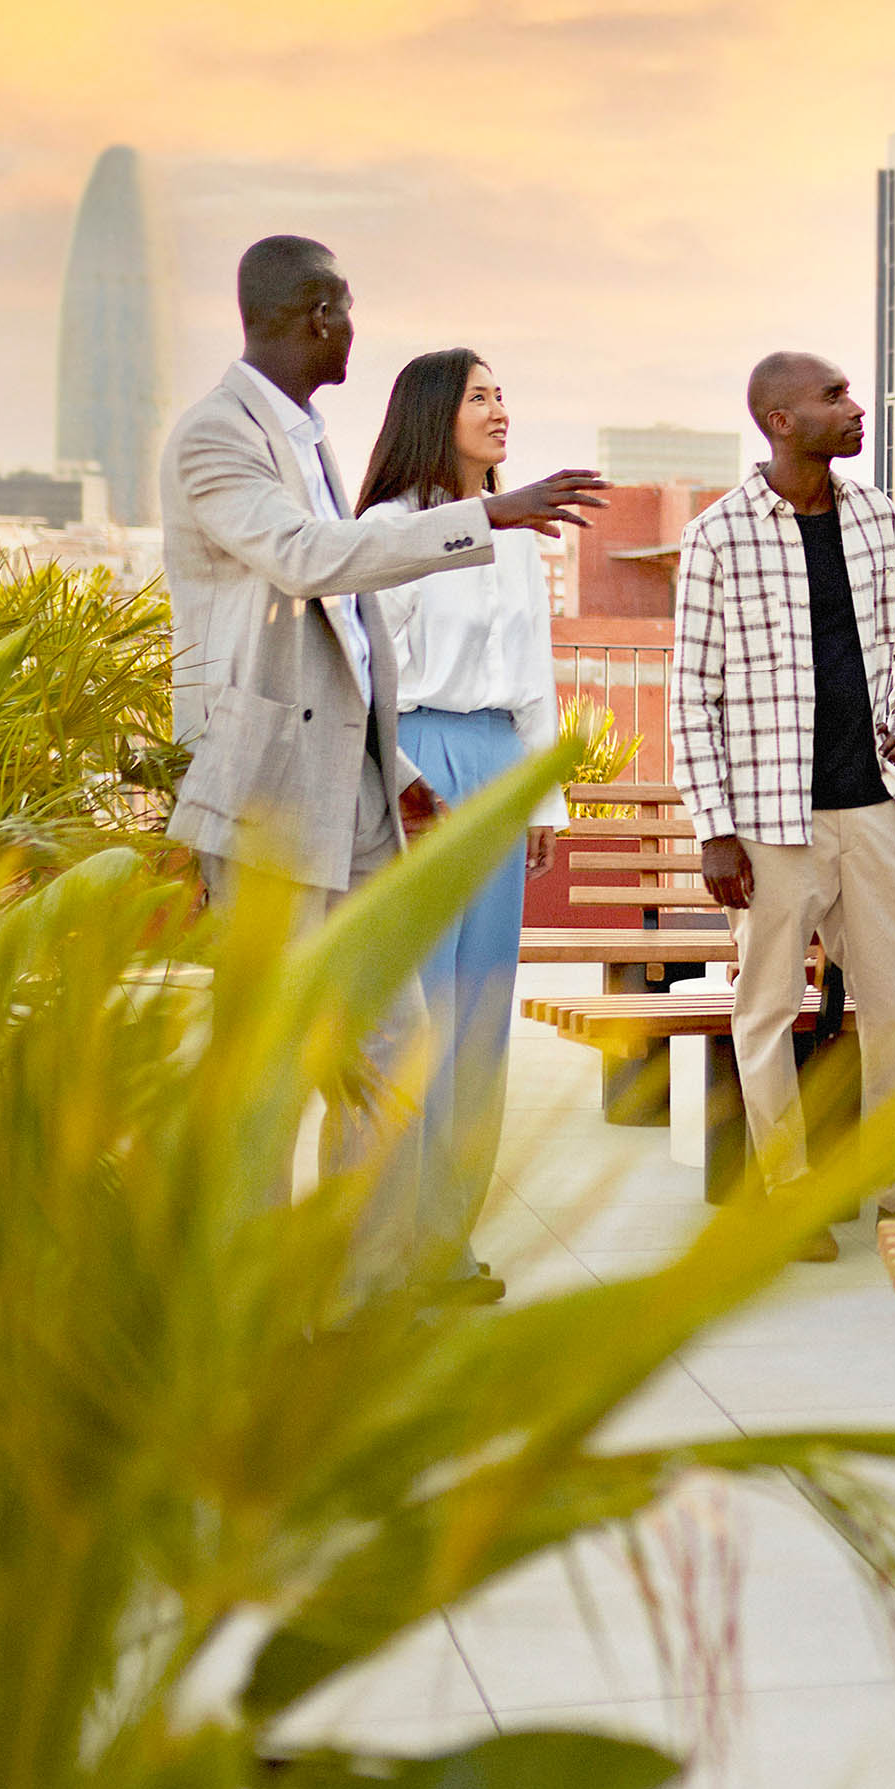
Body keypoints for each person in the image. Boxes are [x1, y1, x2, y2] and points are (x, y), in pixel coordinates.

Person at [160, 235, 602, 1301]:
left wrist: (390, 765)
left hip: (361, 783)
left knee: (403, 1045)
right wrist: (486, 514)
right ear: (316, 313)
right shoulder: (218, 435)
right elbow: (308, 562)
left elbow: (354, 641)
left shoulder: (302, 437)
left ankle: (367, 1286)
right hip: (270, 792)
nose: (355, 328)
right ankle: (253, 1300)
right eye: (346, 308)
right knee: (268, 1065)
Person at [670, 351, 895, 1250]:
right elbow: (692, 695)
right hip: (767, 821)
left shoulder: (876, 516)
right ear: (781, 421)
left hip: (872, 810)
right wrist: (714, 830)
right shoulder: (718, 536)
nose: (855, 407)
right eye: (834, 397)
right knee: (766, 1010)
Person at [357, 347, 567, 1304]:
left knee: (481, 1015)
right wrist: (400, 780)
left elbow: (537, 677)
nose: (499, 409)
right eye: (479, 396)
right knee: (418, 1015)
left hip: (495, 765)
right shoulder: (389, 530)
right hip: (415, 766)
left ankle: (448, 1244)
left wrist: (542, 796)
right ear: (434, 412)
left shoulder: (516, 535)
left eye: (502, 393)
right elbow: (368, 677)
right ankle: (387, 1250)